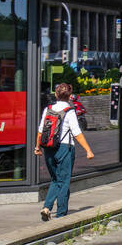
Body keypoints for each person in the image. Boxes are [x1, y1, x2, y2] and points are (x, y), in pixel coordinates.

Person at [35, 82, 94, 220]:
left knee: (56, 179)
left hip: (48, 148)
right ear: (70, 96)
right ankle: (61, 215)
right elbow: (77, 132)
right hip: (65, 148)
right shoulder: (69, 111)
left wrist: (37, 147)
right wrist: (88, 150)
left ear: (56, 94)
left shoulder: (48, 109)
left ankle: (47, 207)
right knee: (64, 181)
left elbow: (40, 130)